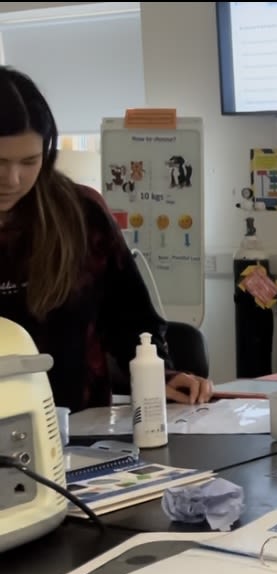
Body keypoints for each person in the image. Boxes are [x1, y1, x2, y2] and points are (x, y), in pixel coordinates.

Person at [0, 66, 213, 412]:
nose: (13, 178)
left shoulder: (81, 214)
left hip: (80, 429)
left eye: (29, 161)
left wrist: (162, 375)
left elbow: (132, 319)